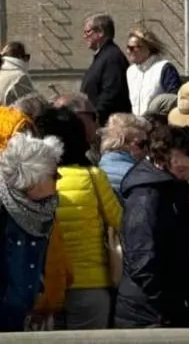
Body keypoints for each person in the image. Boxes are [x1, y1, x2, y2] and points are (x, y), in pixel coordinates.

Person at [115, 124, 189, 328]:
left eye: (188, 169)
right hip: (154, 314)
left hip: (174, 307)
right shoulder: (146, 197)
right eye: (181, 169)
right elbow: (143, 262)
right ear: (160, 160)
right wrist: (176, 306)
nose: (185, 175)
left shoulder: (176, 190)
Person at [38, 104, 122, 330]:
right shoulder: (94, 177)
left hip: (48, 284)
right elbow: (118, 219)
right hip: (91, 283)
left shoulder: (37, 183)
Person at [0, 131, 62, 332]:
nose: (59, 177)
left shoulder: (46, 208)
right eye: (54, 174)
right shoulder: (4, 209)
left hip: (26, 316)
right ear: (33, 180)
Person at [81, 13, 131, 125]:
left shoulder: (112, 57)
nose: (84, 36)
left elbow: (111, 93)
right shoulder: (102, 57)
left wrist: (95, 117)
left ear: (100, 32)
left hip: (109, 124)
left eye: (88, 32)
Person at [124, 28, 182, 117]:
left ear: (148, 47)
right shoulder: (130, 72)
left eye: (133, 48)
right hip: (138, 125)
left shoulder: (164, 68)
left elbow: (174, 100)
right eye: (128, 47)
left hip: (160, 126)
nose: (128, 51)